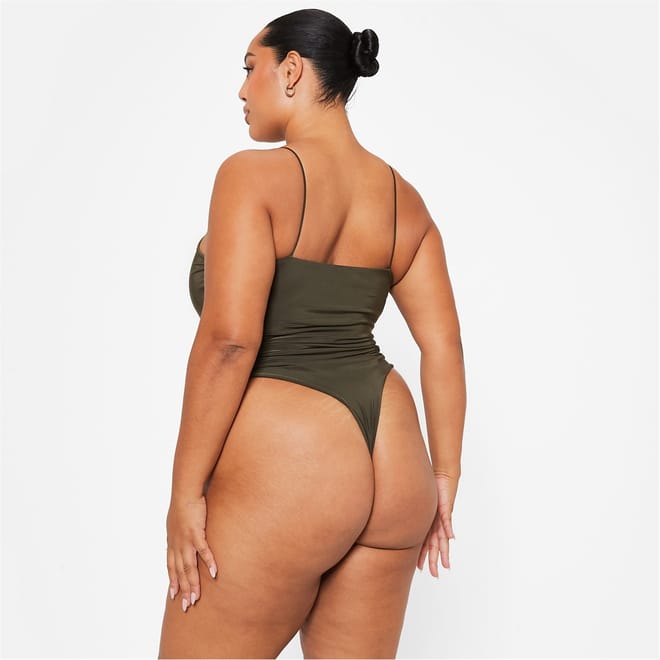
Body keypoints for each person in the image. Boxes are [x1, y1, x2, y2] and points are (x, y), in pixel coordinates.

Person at [158, 8, 465, 659]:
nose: (242, 89)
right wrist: (444, 478)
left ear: (292, 70)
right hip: (396, 457)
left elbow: (230, 341)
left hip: (296, 461)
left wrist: (184, 493)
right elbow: (443, 347)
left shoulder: (251, 176)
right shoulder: (405, 202)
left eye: (251, 68)